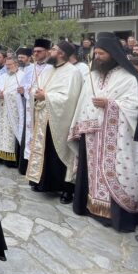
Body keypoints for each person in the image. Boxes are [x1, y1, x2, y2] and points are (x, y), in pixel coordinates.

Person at [69, 33, 138, 231]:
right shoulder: (92, 76)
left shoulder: (129, 78)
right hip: (92, 135)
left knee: (117, 172)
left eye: (102, 53)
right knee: (91, 173)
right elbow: (83, 102)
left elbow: (135, 107)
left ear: (113, 54)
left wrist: (110, 105)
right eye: (95, 53)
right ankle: (92, 208)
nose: (97, 57)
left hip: (118, 139)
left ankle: (115, 215)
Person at [26, 41, 83, 203]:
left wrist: (47, 97)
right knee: (45, 152)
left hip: (61, 120)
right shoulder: (48, 69)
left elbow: (70, 99)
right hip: (44, 118)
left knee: (61, 154)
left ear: (62, 54)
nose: (50, 51)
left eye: (54, 50)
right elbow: (37, 88)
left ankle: (67, 190)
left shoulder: (73, 73)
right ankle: (45, 183)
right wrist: (36, 94)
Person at [19, 39, 52, 176]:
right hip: (30, 106)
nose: (36, 54)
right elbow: (24, 85)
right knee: (28, 135)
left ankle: (40, 169)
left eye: (39, 51)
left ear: (47, 52)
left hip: (44, 107)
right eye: (35, 51)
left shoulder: (52, 68)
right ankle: (27, 165)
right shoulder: (28, 69)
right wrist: (25, 91)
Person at [0, 56, 23, 167]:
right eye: (6, 65)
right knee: (0, 133)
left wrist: (6, 95)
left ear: (16, 64)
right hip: (2, 112)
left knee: (13, 134)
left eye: (10, 65)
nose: (7, 67)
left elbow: (22, 93)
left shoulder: (21, 76)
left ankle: (11, 161)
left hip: (13, 114)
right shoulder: (3, 76)